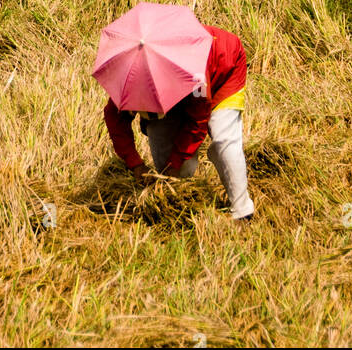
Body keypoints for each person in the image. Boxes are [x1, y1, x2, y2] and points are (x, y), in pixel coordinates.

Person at [102, 23, 254, 222]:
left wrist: (176, 162)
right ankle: (180, 202)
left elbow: (198, 121)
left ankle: (242, 211)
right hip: (179, 84)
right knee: (161, 134)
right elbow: (114, 120)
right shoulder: (129, 82)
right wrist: (136, 165)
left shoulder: (195, 73)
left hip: (224, 68)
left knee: (223, 138)